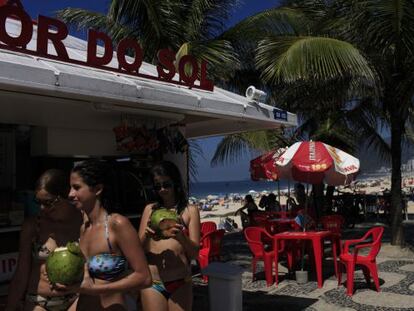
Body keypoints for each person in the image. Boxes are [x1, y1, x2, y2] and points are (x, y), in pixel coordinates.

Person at [64, 160, 152, 310]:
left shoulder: (116, 224)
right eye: (70, 188)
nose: (70, 194)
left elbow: (144, 277)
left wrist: (96, 290)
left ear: (97, 189)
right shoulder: (83, 228)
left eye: (77, 188)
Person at [6, 169, 83, 311]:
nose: (42, 208)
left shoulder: (83, 223)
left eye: (48, 202)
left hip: (76, 299)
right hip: (39, 301)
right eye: (38, 202)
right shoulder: (33, 226)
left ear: (65, 196)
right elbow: (21, 274)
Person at [138, 161, 200, 311]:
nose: (162, 189)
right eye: (158, 186)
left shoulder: (189, 210)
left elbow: (194, 253)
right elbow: (139, 250)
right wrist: (147, 235)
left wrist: (181, 237)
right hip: (154, 282)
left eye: (166, 184)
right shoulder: (150, 210)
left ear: (175, 183)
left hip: (181, 281)